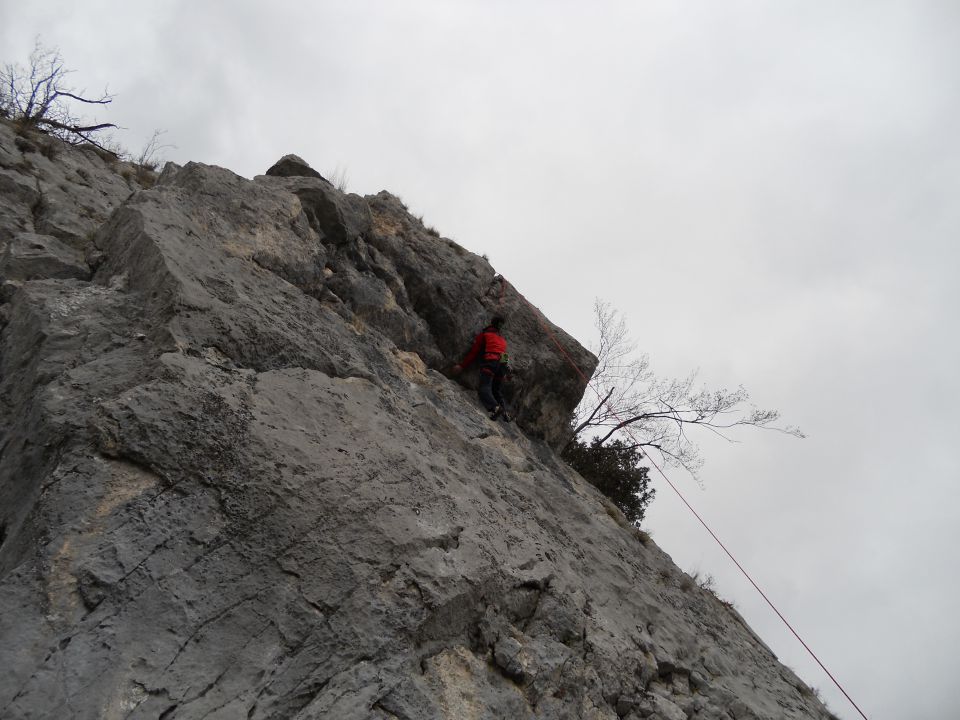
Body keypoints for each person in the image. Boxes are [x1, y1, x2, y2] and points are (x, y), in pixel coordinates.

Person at [452, 315, 512, 420]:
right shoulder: (502, 340)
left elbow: (474, 352)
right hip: (501, 365)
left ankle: (496, 408)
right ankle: (505, 413)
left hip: (491, 361)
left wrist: (462, 366)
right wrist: (506, 373)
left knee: (484, 387)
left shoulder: (485, 335)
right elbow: (504, 354)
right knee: (496, 389)